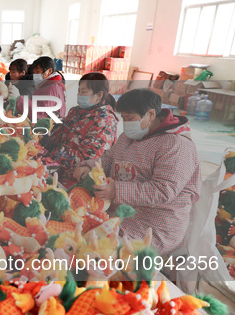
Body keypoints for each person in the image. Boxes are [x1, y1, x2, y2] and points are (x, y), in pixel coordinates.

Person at [73, 88, 201, 255]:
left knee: (96, 249)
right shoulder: (129, 136)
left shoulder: (176, 145)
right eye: (124, 118)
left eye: (130, 118)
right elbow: (109, 159)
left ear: (150, 115)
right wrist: (88, 166)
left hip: (154, 225)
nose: (126, 123)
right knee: (75, 226)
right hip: (119, 212)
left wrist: (115, 190)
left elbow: (163, 190)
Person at [42, 72, 118, 173]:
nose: (79, 95)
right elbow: (61, 134)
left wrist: (53, 151)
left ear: (99, 95)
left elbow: (88, 159)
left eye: (83, 92)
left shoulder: (104, 121)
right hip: (56, 168)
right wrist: (48, 130)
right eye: (79, 91)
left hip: (76, 178)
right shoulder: (75, 111)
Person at [16, 56, 66, 120]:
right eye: (34, 72)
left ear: (49, 71)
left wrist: (20, 100)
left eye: (37, 71)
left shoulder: (52, 88)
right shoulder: (46, 85)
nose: (35, 75)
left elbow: (42, 114)